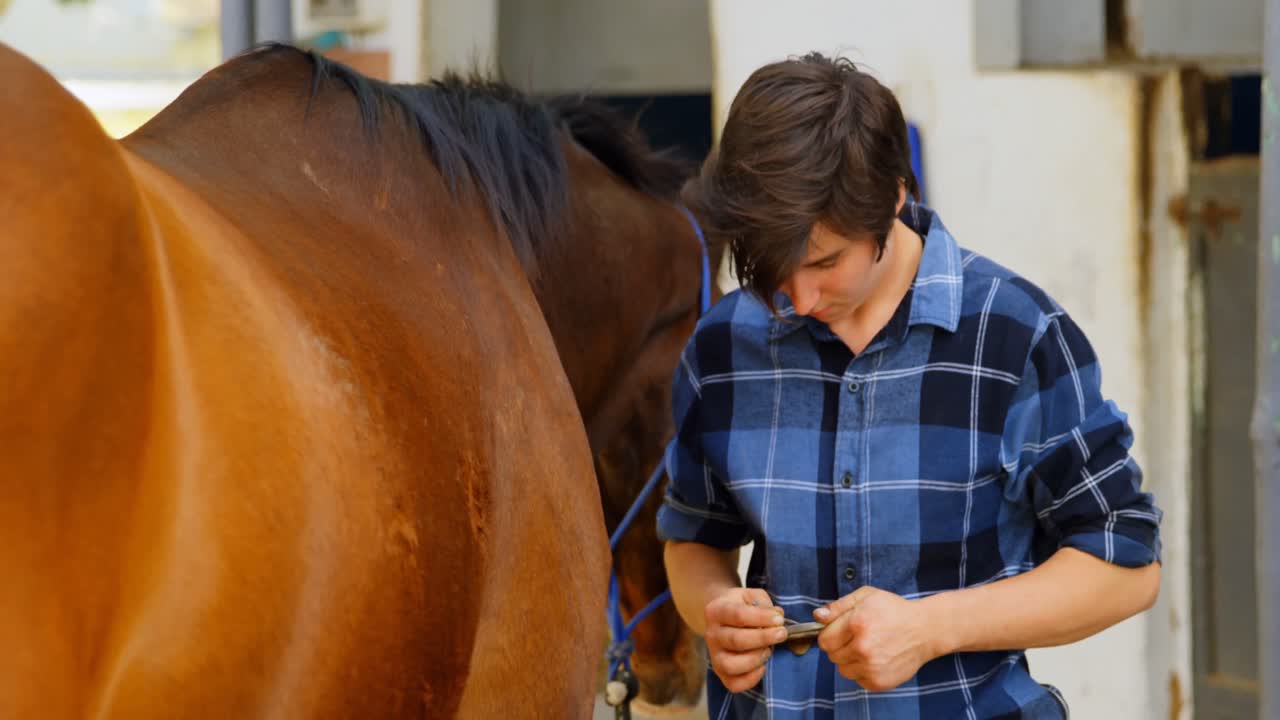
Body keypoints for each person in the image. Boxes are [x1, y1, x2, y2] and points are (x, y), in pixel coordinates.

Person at [657, 52, 1162, 719]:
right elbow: (694, 537)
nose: (799, 297)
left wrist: (932, 628)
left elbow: (1125, 568)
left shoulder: (1014, 335)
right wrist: (716, 610)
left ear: (894, 197)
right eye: (773, 268)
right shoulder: (722, 350)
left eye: (826, 262)